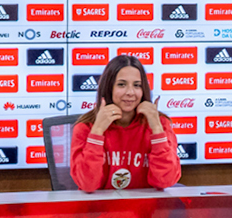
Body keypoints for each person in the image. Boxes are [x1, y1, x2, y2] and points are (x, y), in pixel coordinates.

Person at [70, 54, 182, 192]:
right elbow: (88, 185)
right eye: (121, 84)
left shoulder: (160, 124)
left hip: (148, 211)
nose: (130, 92)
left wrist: (157, 129)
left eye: (137, 85)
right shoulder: (85, 128)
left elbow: (166, 181)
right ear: (108, 87)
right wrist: (97, 132)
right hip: (101, 210)